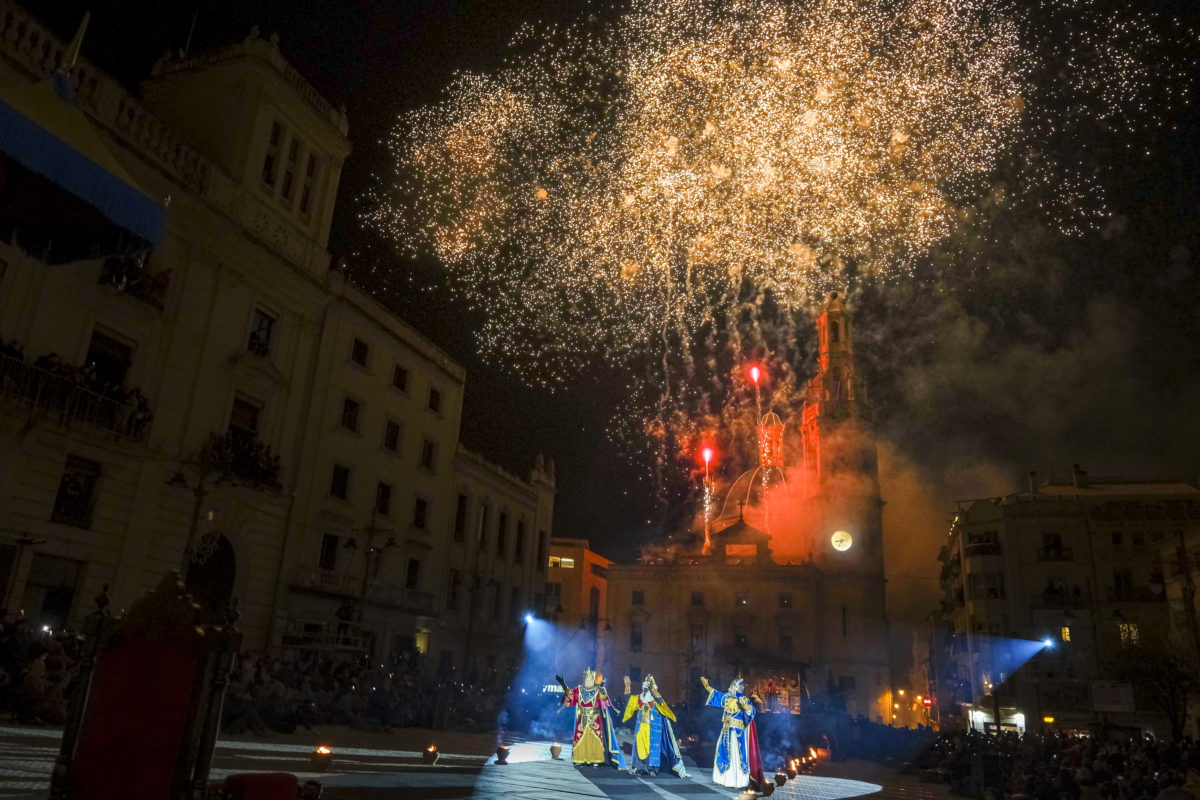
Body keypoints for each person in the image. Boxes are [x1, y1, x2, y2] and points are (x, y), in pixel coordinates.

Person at [700, 675, 764, 789]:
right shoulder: (726, 698)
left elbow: (751, 712)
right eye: (730, 686)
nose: (729, 688)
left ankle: (737, 781)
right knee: (723, 753)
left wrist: (747, 708)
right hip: (726, 731)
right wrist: (707, 686)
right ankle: (723, 779)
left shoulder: (743, 700)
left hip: (737, 733)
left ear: (737, 689)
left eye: (732, 686)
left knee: (736, 755)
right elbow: (717, 694)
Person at [557, 667, 626, 768]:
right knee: (581, 739)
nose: (588, 682)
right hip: (582, 719)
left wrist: (602, 688)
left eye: (590, 680)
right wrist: (563, 684)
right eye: (586, 680)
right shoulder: (579, 690)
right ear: (584, 680)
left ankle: (596, 760)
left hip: (595, 719)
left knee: (595, 740)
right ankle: (581, 760)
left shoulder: (597, 690)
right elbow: (570, 697)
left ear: (593, 680)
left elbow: (604, 699)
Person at [621, 674, 687, 777]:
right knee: (639, 747)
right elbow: (629, 701)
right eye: (644, 689)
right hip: (641, 728)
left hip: (652, 730)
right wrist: (627, 686)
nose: (645, 691)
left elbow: (660, 699)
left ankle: (651, 769)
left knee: (652, 750)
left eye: (648, 689)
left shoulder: (657, 702)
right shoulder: (640, 700)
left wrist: (652, 688)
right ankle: (637, 767)